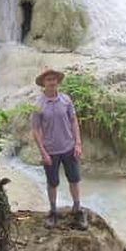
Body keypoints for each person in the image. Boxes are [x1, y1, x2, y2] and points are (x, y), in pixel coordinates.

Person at [31, 67, 88, 230]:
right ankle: (53, 212)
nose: (52, 82)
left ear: (58, 81)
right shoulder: (38, 105)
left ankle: (77, 209)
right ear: (43, 83)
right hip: (50, 151)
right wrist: (43, 152)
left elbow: (73, 121)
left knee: (74, 179)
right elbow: (36, 130)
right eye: (48, 79)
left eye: (54, 79)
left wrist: (78, 143)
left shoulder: (66, 100)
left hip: (69, 147)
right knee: (52, 183)